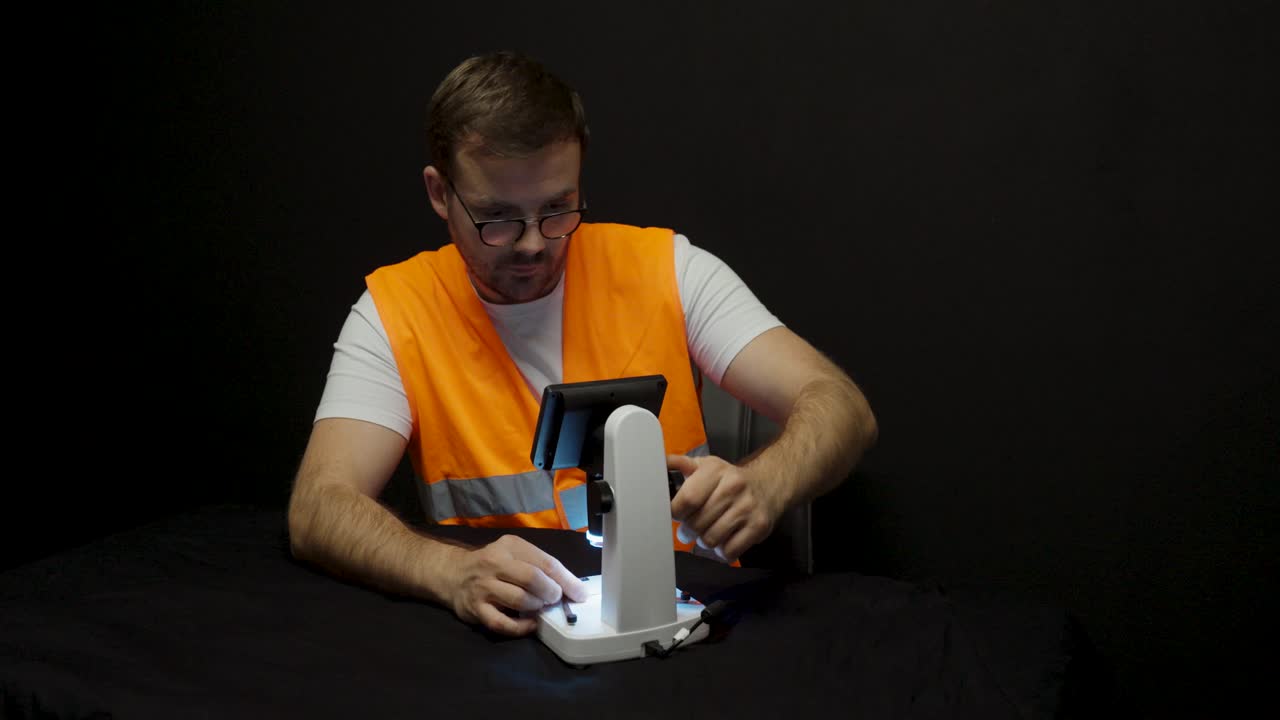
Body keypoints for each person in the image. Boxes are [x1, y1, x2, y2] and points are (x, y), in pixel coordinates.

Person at [287, 50, 878, 637]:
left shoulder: (668, 268)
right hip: (510, 638)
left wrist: (767, 483)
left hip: (687, 625)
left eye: (556, 208)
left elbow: (840, 404)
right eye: (496, 217)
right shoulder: (393, 313)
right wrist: (448, 571)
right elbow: (319, 506)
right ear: (440, 194)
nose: (532, 245)